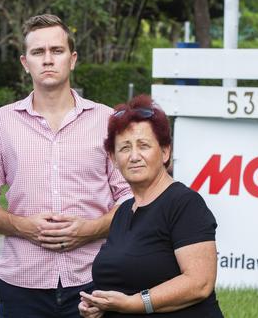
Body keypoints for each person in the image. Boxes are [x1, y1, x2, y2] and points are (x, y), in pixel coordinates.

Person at [0, 14, 131, 318]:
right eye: (38, 52)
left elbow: (130, 197)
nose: (48, 60)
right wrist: (23, 226)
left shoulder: (106, 121)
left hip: (95, 279)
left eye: (57, 51)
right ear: (25, 63)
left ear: (72, 59)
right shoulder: (0, 123)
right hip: (22, 284)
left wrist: (90, 229)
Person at [79, 94, 224, 317]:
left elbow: (199, 283)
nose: (134, 156)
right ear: (113, 159)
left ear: (165, 152)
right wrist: (99, 306)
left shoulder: (185, 204)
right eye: (125, 148)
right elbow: (124, 281)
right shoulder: (123, 212)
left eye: (143, 145)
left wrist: (135, 303)